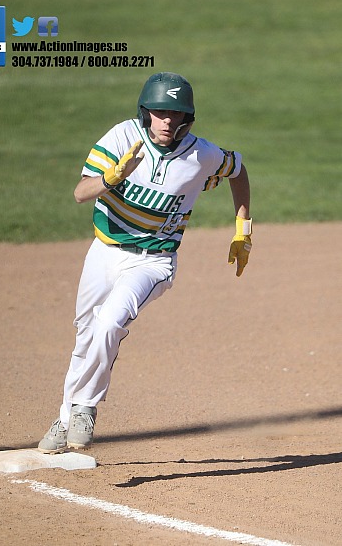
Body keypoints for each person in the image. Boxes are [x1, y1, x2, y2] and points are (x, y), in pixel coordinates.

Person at [38, 72, 252, 453]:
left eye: (176, 113)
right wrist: (111, 176)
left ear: (188, 117)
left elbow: (238, 170)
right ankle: (65, 419)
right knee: (86, 335)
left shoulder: (202, 155)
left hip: (153, 262)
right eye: (159, 112)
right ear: (145, 112)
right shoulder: (121, 138)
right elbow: (80, 193)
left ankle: (85, 406)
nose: (167, 120)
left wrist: (243, 228)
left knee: (109, 323)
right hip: (103, 252)